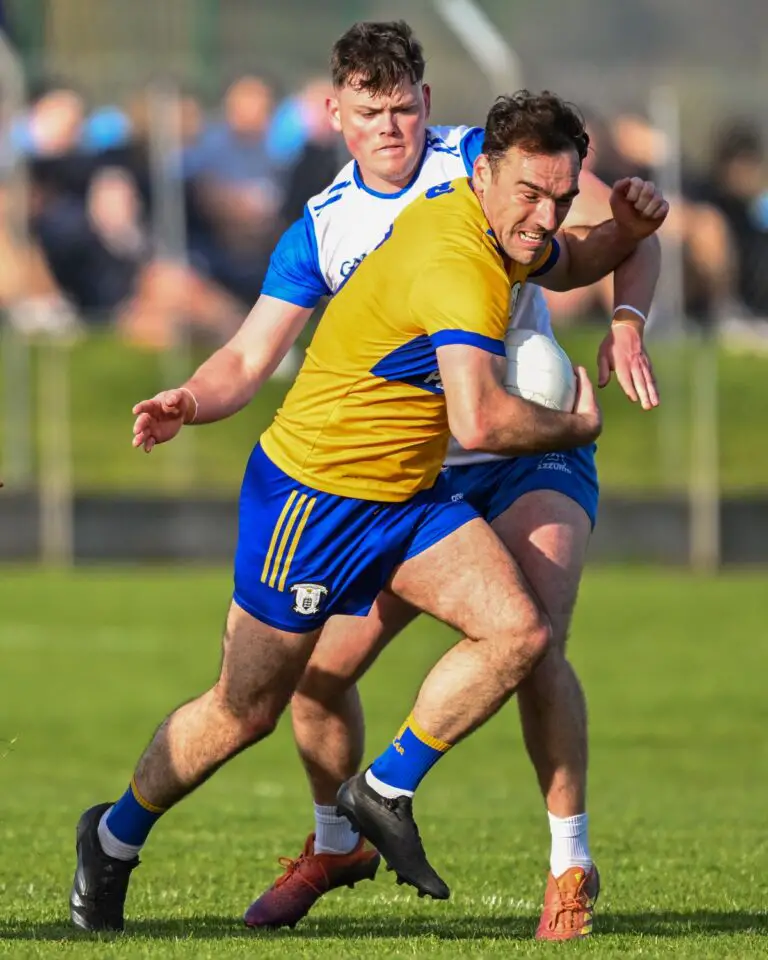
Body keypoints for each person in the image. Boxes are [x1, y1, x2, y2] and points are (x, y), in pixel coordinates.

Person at [69, 83, 666, 934]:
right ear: (486, 175)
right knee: (248, 709)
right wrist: (578, 422)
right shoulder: (449, 256)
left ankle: (384, 791)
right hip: (313, 499)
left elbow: (574, 256)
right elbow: (480, 419)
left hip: (407, 495)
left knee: (522, 631)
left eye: (560, 199)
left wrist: (629, 239)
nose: (544, 215)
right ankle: (116, 835)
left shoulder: (499, 220)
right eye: (532, 195)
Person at [240, 22, 662, 940]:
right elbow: (250, 354)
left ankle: (569, 866)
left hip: (532, 443)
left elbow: (619, 232)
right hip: (416, 474)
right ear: (336, 114)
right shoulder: (324, 226)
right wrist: (192, 400)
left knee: (535, 638)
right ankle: (338, 840)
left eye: (403, 107)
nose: (390, 126)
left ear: (427, 106)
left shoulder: (493, 160)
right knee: (318, 675)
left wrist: (627, 316)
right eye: (370, 109)